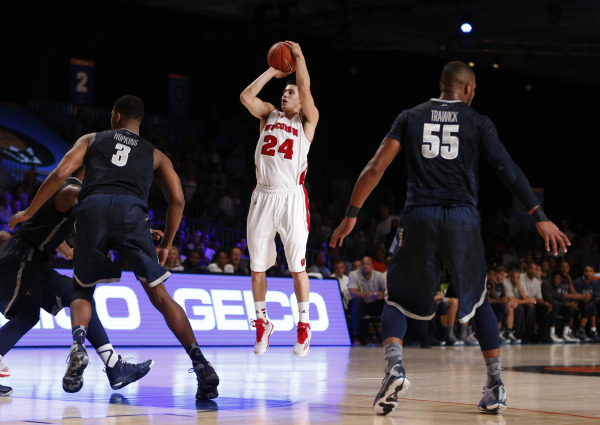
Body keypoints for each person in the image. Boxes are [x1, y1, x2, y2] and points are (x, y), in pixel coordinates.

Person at [329, 61, 570, 415]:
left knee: (396, 301)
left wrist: (351, 215)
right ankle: (495, 385)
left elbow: (375, 168)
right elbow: (508, 169)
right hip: (462, 220)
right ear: (469, 89)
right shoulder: (477, 121)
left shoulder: (410, 116)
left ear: (441, 85)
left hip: (418, 217)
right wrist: (540, 216)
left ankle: (394, 368)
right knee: (479, 300)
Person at [9, 95, 219, 400]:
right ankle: (201, 364)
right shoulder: (156, 155)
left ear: (116, 116)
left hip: (92, 210)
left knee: (82, 290)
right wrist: (168, 245)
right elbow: (178, 200)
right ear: (138, 120)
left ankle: (78, 347)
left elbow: (59, 173)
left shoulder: (92, 139)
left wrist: (29, 211)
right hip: (132, 214)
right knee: (160, 296)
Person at [0, 168, 153, 396]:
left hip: (37, 263)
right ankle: (112, 365)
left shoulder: (75, 206)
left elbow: (64, 246)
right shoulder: (71, 190)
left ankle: (114, 366)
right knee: (27, 316)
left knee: (79, 296)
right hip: (21, 259)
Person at [240, 41, 319, 357]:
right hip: (263, 196)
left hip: (291, 199)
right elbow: (246, 97)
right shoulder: (268, 115)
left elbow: (303, 84)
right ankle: (262, 323)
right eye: (283, 91)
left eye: (291, 92)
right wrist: (273, 70)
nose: (286, 94)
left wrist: (298, 57)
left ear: (301, 102)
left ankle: (303, 326)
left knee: (297, 266)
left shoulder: (307, 121)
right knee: (256, 267)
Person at [348, 256, 386, 346]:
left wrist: (381, 295)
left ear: (372, 266)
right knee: (357, 302)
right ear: (361, 266)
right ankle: (356, 337)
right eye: (363, 264)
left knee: (387, 303)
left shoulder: (379, 276)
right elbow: (352, 293)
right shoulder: (353, 274)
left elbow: (388, 293)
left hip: (375, 304)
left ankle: (386, 338)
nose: (365, 266)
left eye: (368, 264)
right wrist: (368, 294)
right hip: (362, 305)